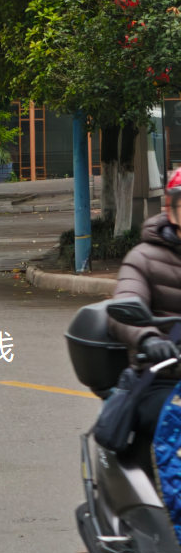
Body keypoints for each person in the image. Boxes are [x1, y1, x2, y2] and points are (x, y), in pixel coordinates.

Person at [108, 167, 181, 458]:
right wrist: (149, 339)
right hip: (164, 377)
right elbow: (124, 303)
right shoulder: (143, 258)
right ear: (171, 209)